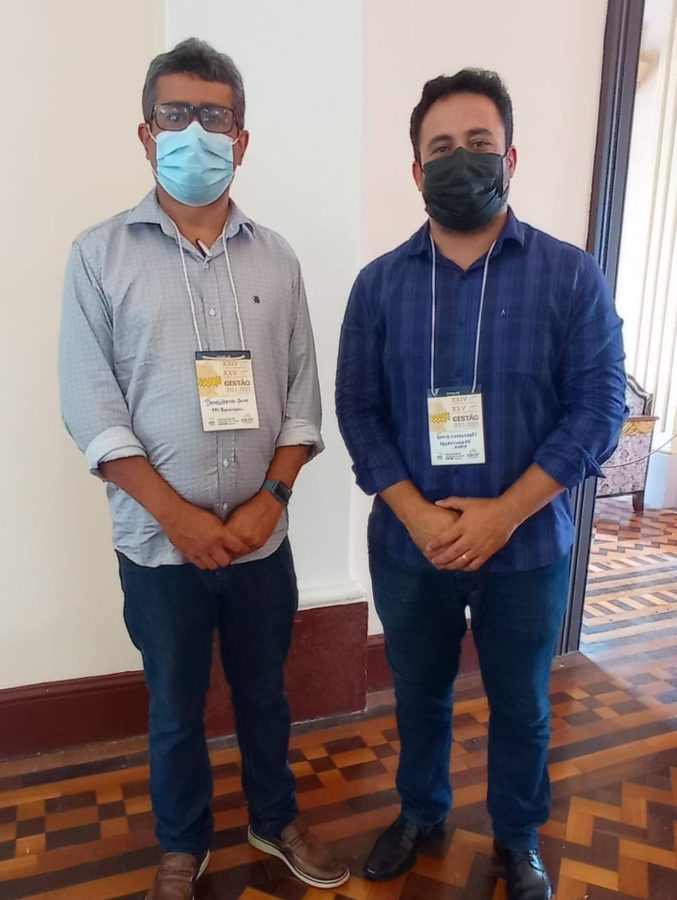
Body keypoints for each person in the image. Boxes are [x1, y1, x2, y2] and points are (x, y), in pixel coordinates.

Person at [59, 37, 349, 900]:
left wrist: (271, 498)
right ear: (145, 135)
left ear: (241, 139)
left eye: (214, 117)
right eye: (175, 114)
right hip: (159, 547)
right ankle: (182, 846)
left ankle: (274, 818)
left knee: (265, 694)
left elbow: (302, 398)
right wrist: (177, 517)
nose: (194, 131)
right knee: (174, 706)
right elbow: (91, 409)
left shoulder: (278, 257)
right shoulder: (97, 256)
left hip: (262, 538)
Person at [335, 69, 626, 900]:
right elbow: (357, 409)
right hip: (410, 546)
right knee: (418, 694)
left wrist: (503, 514)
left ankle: (516, 839)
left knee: (522, 704)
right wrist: (415, 515)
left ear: (510, 158)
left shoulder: (570, 275)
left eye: (477, 143)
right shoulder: (379, 284)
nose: (458, 159)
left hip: (526, 547)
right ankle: (419, 813)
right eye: (440, 147)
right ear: (414, 169)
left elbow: (598, 409)